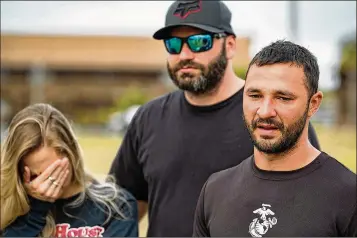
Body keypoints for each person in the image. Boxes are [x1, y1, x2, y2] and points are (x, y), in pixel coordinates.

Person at [108, 1, 321, 236]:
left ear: (230, 45)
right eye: (174, 43)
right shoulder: (148, 118)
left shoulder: (268, 117)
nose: (184, 55)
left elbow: (310, 202)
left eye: (200, 42)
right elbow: (123, 207)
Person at [193, 40, 357, 237]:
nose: (265, 111)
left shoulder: (348, 196)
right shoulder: (214, 190)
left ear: (313, 104)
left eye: (283, 98)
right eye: (255, 95)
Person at [1, 103, 138, 237]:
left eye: (54, 171)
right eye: (36, 176)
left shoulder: (116, 207)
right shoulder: (12, 210)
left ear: (71, 154)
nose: (47, 184)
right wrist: (34, 214)